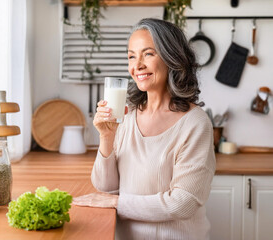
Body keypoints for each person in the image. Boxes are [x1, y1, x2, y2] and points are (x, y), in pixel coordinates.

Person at [73, 18, 216, 240]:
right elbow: (105, 187)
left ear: (172, 57)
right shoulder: (127, 115)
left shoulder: (195, 123)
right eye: (132, 56)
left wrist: (115, 202)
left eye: (148, 54)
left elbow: (182, 204)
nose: (137, 65)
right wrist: (107, 137)